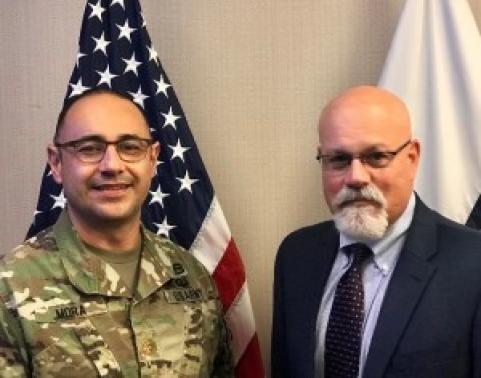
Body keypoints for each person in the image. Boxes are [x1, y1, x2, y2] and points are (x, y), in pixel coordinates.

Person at [0, 89, 233, 377]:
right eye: (89, 148)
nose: (112, 165)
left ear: (153, 158)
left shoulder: (192, 278)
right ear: (56, 163)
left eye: (131, 147)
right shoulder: (8, 288)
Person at [271, 85, 481, 378]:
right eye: (339, 159)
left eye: (376, 156)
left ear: (412, 158)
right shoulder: (296, 256)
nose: (356, 177)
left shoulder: (473, 265)